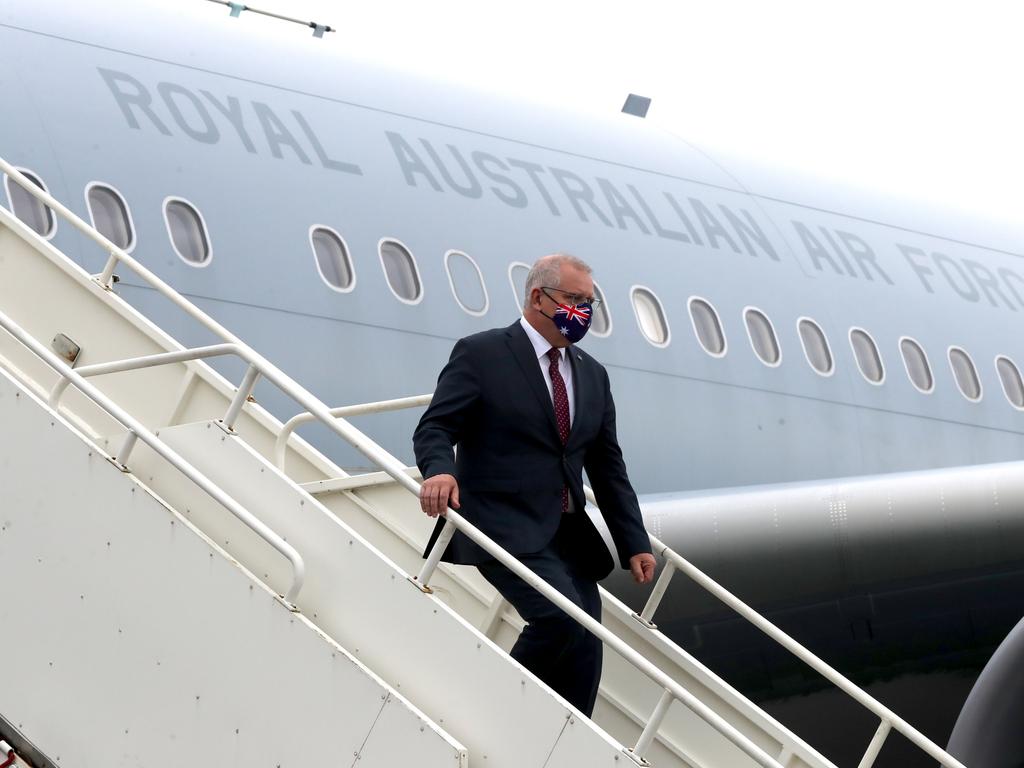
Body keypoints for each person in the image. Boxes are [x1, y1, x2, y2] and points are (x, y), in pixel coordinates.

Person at [413, 252, 656, 717]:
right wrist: (439, 470)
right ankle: (493, 718)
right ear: (538, 298)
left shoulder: (591, 373)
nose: (583, 311)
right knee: (558, 619)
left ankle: (568, 745)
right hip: (501, 522)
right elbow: (436, 427)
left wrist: (633, 541)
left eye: (590, 302)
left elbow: (607, 466)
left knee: (587, 647)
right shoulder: (482, 353)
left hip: (567, 530)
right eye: (573, 299)